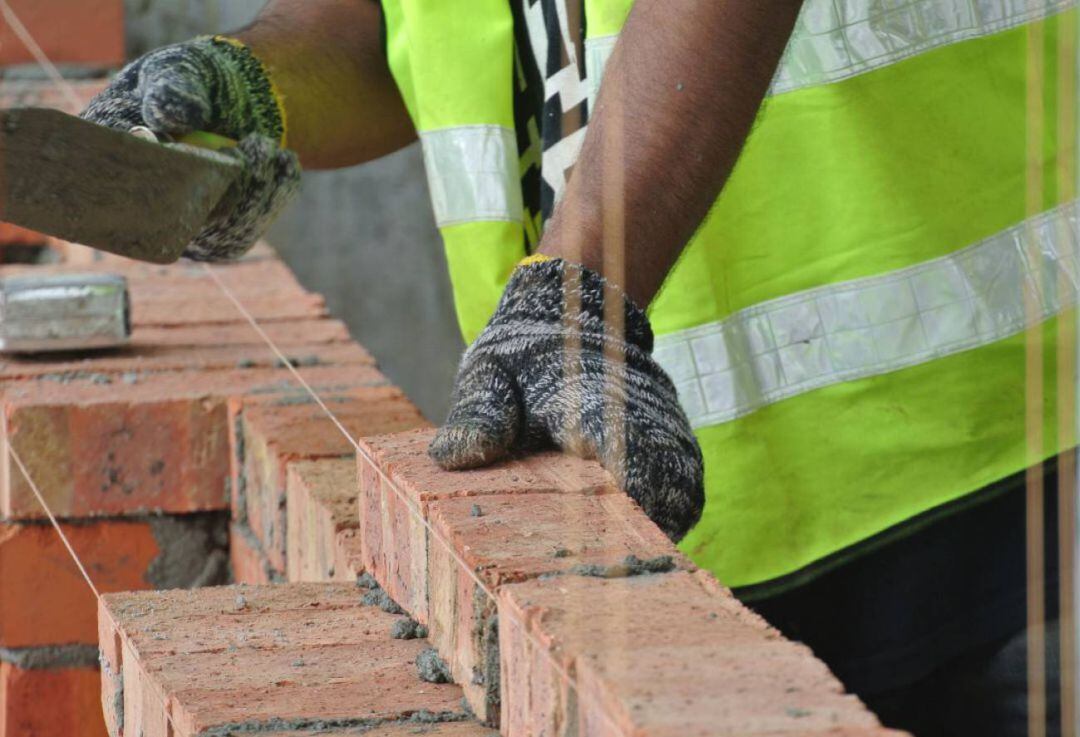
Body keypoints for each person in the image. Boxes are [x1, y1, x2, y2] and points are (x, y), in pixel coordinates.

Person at [82, 1, 1077, 734]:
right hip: (652, 472)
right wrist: (248, 86)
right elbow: (417, 29)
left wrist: (577, 294)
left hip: (955, 461)